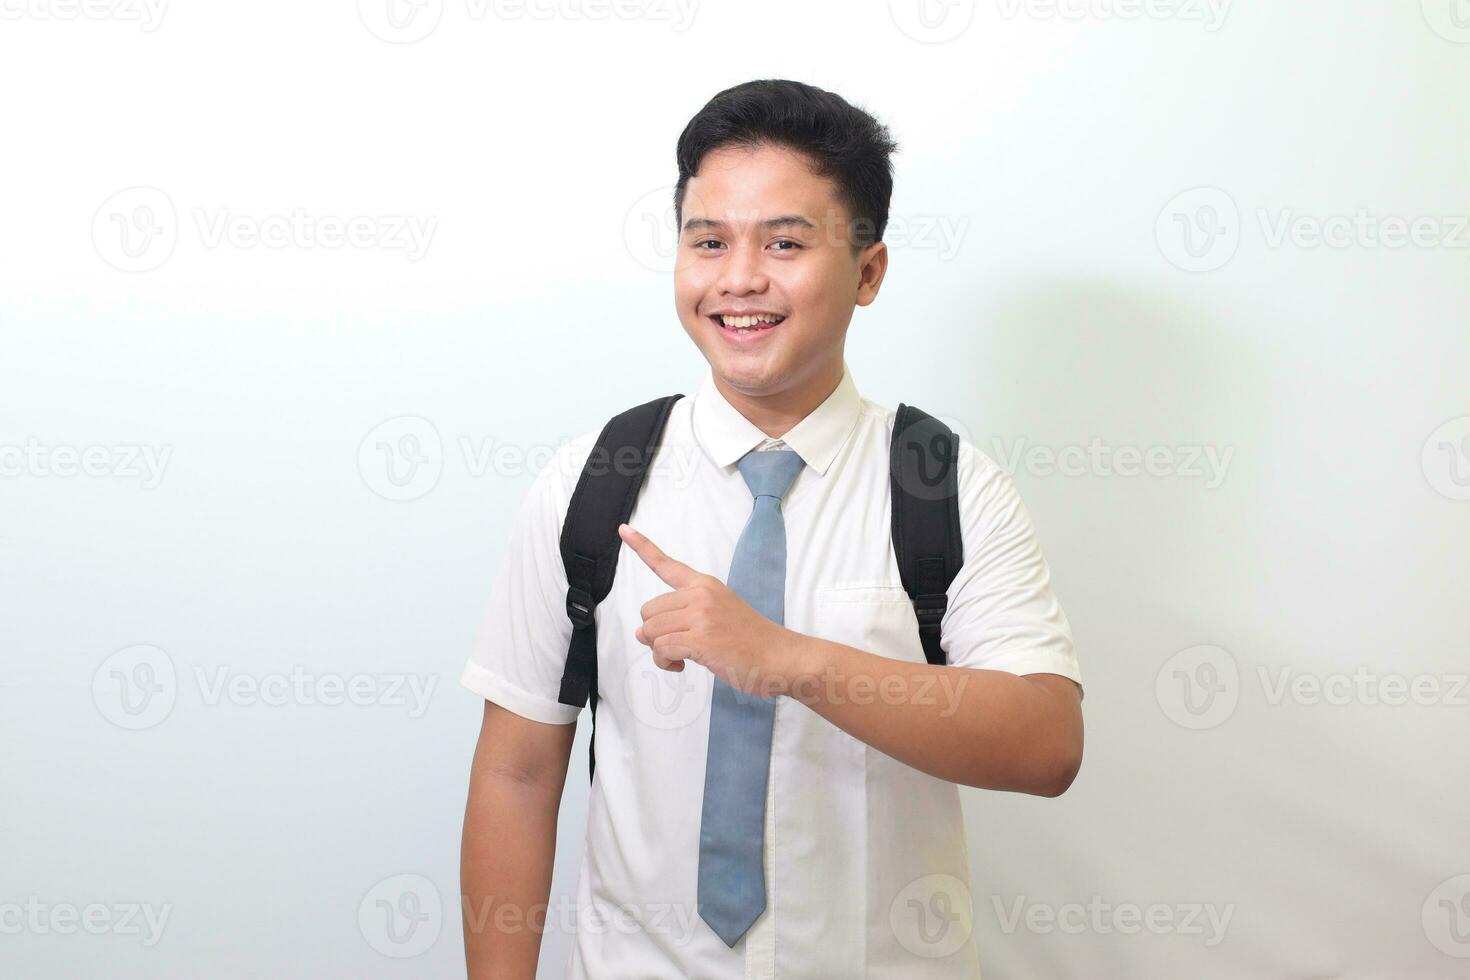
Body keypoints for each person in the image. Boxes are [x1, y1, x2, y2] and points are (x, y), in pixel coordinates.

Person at [459, 77, 1084, 980]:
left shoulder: (945, 485)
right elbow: (515, 773)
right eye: (708, 241)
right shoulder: (594, 480)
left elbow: (1046, 742)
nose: (739, 278)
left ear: (869, 272)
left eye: (785, 243)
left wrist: (786, 658)